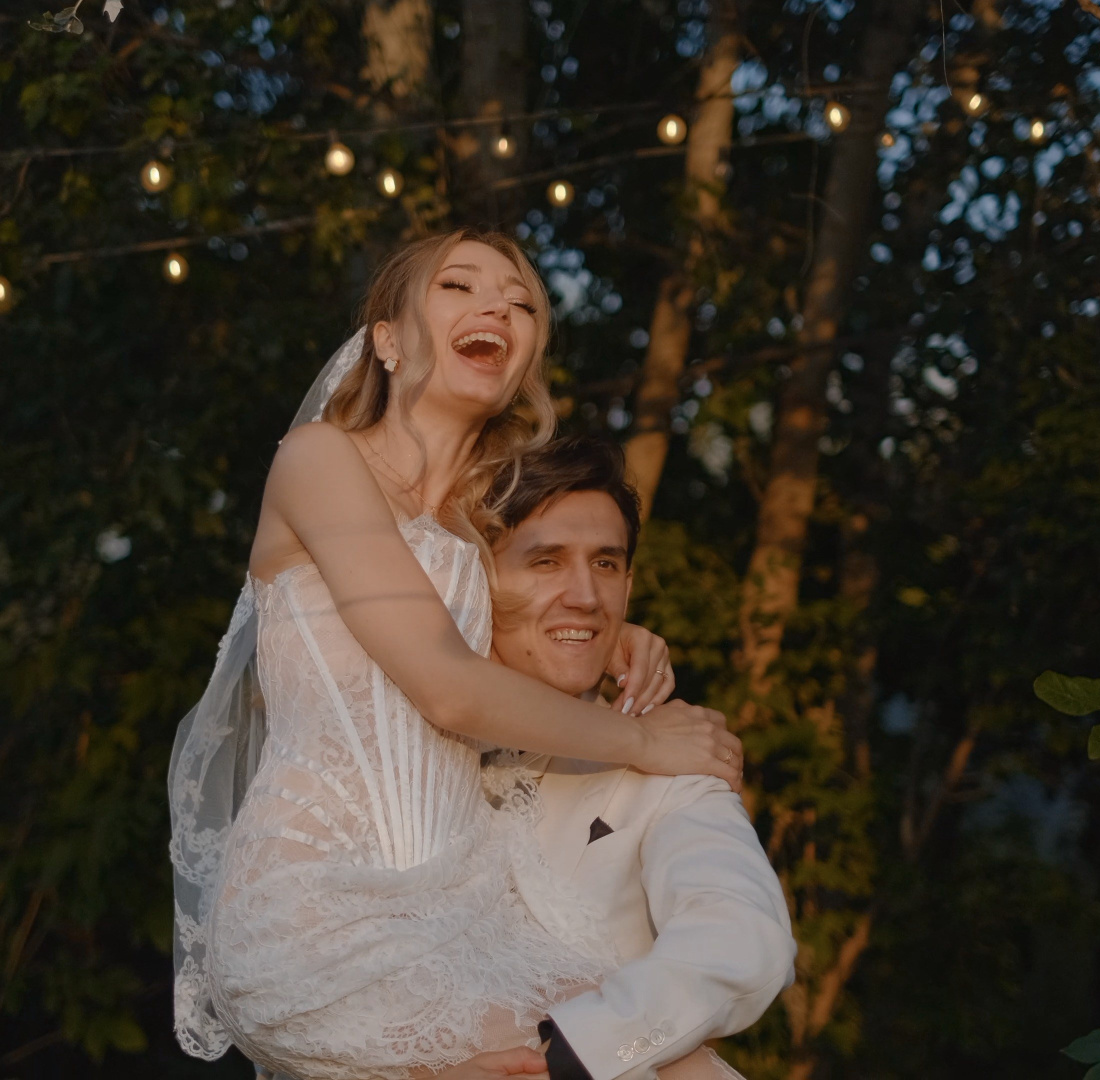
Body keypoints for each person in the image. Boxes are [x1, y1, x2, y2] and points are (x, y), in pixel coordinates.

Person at [168, 229, 744, 1080]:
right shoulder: (320, 460)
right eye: (460, 287)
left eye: (520, 303)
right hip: (319, 908)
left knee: (681, 1057)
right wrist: (644, 741)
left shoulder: (483, 519)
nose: (496, 309)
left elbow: (516, 637)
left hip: (464, 910)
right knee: (594, 1063)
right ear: (388, 340)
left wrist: (610, 633)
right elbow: (447, 686)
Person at [479, 436, 795, 1080]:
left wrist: (578, 1057)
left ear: (627, 584)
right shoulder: (397, 746)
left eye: (605, 564)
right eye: (545, 561)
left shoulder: (677, 767)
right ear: (479, 577)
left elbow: (743, 941)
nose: (585, 595)